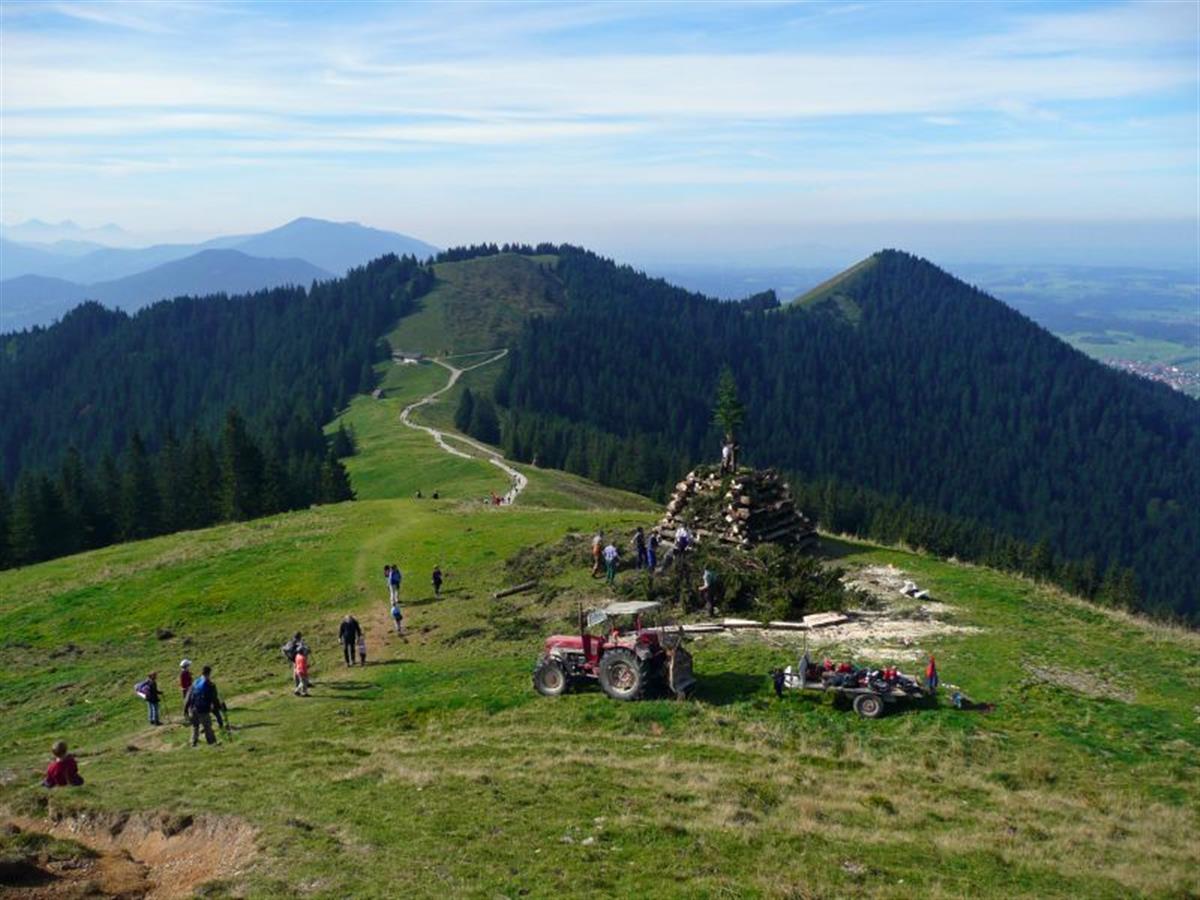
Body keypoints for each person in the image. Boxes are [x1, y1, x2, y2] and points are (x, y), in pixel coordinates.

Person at [183, 665, 224, 747]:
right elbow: (214, 698)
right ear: (209, 673)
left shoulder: (195, 682)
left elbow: (188, 696)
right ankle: (212, 743)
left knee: (195, 726)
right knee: (207, 726)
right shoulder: (210, 684)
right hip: (203, 709)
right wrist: (220, 707)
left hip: (193, 708)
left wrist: (185, 709)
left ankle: (193, 742)